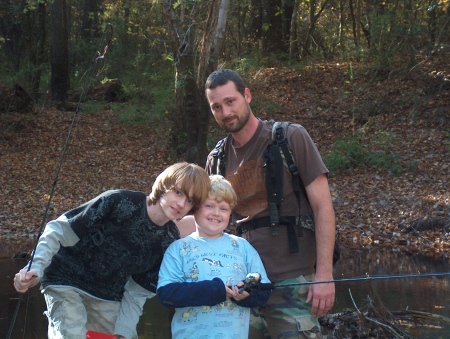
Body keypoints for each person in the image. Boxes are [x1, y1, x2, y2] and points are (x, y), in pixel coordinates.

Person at [197, 69, 336, 338]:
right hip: (240, 285)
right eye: (216, 107)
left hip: (293, 280)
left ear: (247, 95)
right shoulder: (215, 159)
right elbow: (208, 226)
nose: (225, 112)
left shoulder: (290, 138)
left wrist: (324, 275)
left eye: (230, 101)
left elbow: (323, 208)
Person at [13, 162, 211, 339]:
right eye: (178, 192)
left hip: (108, 297)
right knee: (71, 334)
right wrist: (36, 268)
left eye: (190, 201)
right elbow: (58, 229)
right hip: (65, 279)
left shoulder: (169, 241)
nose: (181, 204)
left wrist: (123, 332)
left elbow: (136, 293)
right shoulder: (118, 202)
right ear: (164, 185)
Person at [157, 175, 271, 339]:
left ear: (230, 213)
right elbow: (166, 295)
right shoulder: (178, 248)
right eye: (209, 206)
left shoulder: (243, 247)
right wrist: (213, 291)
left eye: (223, 208)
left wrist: (248, 293)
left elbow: (264, 288)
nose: (216, 213)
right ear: (194, 208)